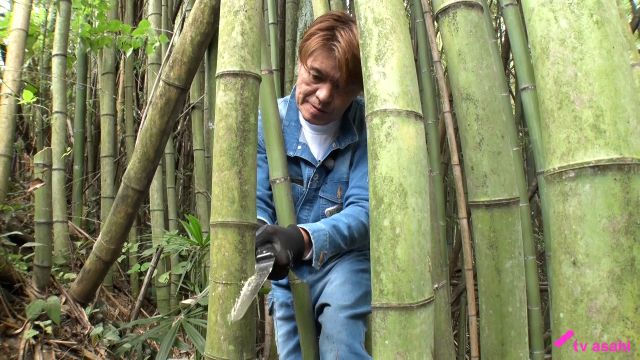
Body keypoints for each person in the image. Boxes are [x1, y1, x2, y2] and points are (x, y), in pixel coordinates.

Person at [255, 11, 371, 359]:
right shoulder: (268, 121)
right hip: (285, 269)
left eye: (341, 88)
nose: (322, 95)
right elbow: (258, 202)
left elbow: (364, 212)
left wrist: (304, 237)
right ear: (300, 62)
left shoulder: (370, 125)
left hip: (343, 261)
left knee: (340, 344)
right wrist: (263, 240)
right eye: (316, 76)